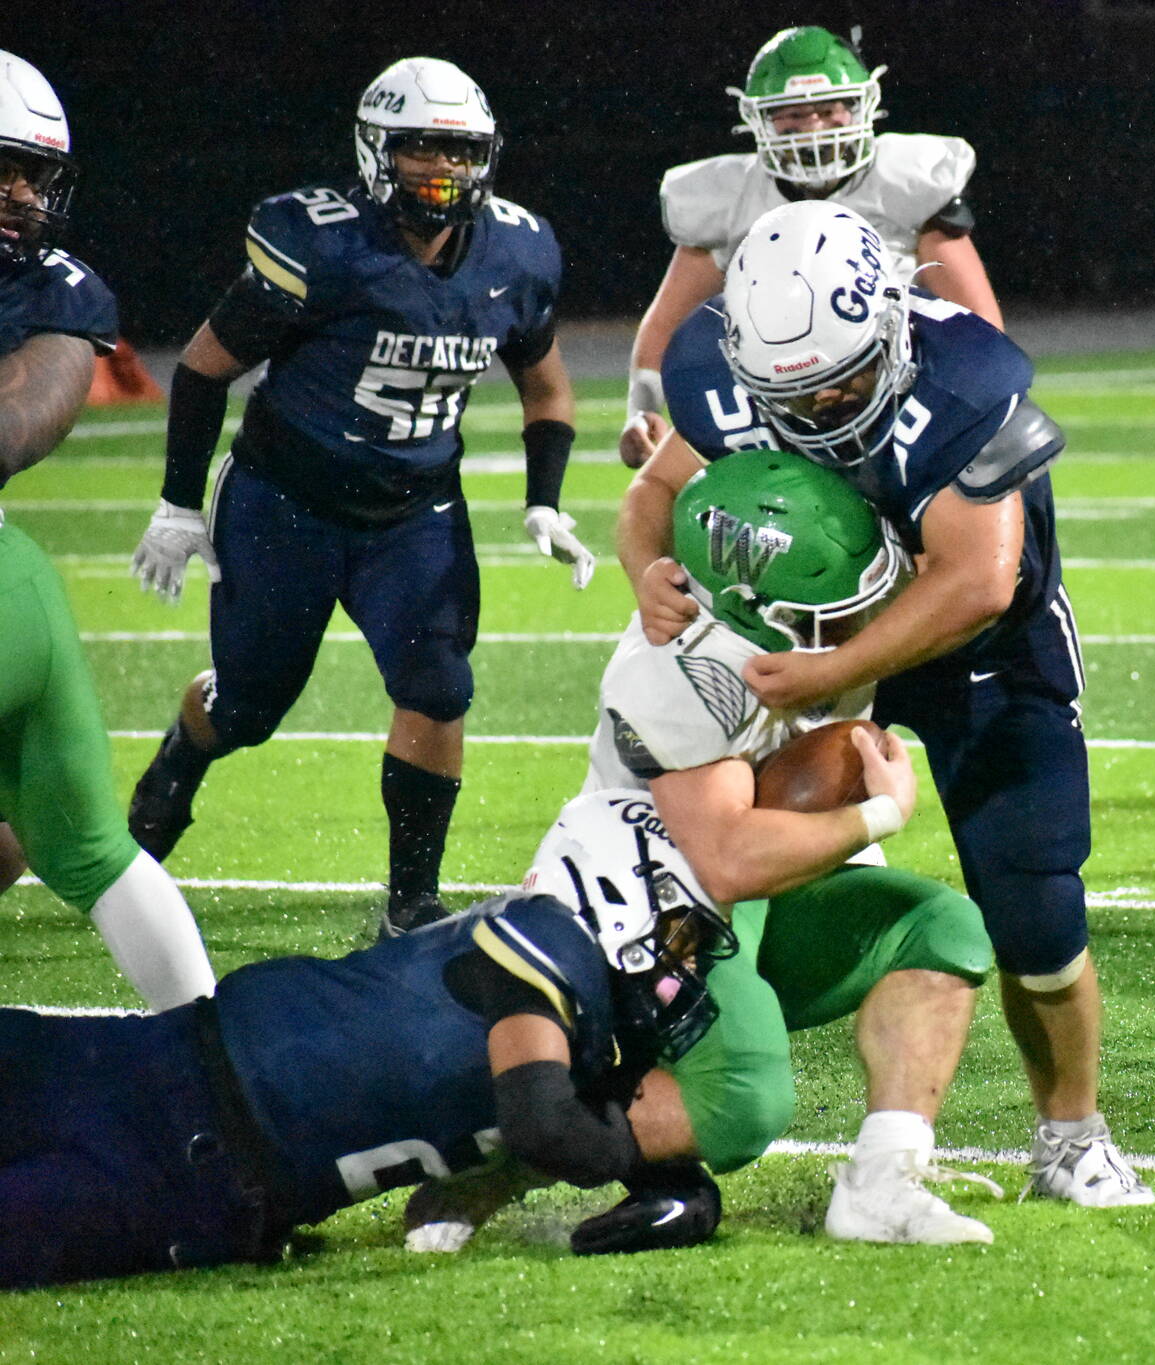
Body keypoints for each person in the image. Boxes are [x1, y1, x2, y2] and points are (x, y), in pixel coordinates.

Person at [619, 201, 1154, 1206]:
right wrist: (647, 570)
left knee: (1035, 907)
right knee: (703, 863)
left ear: (894, 326)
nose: (821, 414)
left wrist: (831, 677)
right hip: (810, 635)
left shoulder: (967, 383)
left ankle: (1070, 1134)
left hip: (980, 651)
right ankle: (661, 1090)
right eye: (798, 396)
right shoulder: (719, 375)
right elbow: (654, 499)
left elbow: (975, 582)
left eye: (842, 383)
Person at [406, 451, 1006, 1251]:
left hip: (746, 885)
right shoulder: (681, 674)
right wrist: (874, 818)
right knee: (745, 1103)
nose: (860, 627)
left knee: (944, 928)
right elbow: (725, 859)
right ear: (753, 607)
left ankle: (882, 1183)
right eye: (832, 612)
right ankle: (516, 1151)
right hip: (651, 911)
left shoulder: (787, 619)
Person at [125, 57, 596, 936]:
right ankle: (186, 753)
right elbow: (201, 367)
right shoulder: (324, 243)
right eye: (420, 150)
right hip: (284, 500)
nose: (440, 171)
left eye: (458, 152)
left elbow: (547, 389)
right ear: (376, 150)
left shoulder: (517, 252)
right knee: (251, 708)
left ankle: (410, 899)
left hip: (415, 510)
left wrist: (544, 499)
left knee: (439, 686)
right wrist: (179, 503)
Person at [0, 873, 736, 1288]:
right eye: (680, 940)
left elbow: (563, 1120)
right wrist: (634, 1161)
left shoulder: (546, 970)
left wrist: (670, 1181)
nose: (687, 973)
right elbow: (546, 1122)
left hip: (189, 1132)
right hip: (180, 1113)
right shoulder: (551, 952)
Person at [0, 49, 215, 1011]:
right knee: (64, 842)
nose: (19, 195)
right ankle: (215, 1068)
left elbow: (17, 427)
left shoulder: (53, 289)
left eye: (31, 173)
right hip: (18, 589)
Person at [618, 25, 1001, 469]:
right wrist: (641, 410)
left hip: (896, 396)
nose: (812, 127)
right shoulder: (728, 197)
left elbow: (977, 322)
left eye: (827, 108)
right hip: (780, 408)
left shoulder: (905, 183)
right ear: (758, 118)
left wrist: (977, 404)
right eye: (792, 115)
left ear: (862, 106)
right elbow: (668, 323)